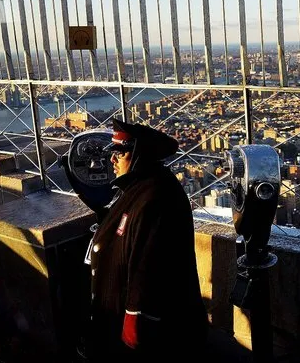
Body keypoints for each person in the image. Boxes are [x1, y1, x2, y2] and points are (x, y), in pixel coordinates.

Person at [85, 118, 208, 361]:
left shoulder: (155, 196)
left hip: (150, 333)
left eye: (118, 154)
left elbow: (148, 265)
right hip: (119, 318)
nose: (112, 160)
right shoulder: (138, 189)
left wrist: (135, 320)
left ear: (139, 155)